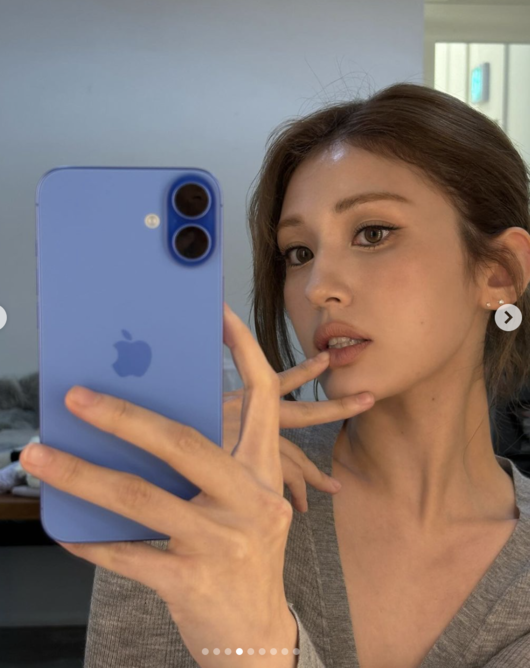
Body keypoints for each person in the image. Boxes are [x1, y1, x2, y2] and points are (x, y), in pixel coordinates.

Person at [23, 82, 530, 667]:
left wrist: (253, 640)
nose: (317, 287)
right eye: (298, 253)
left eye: (372, 233)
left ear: (499, 272)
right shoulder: (206, 488)